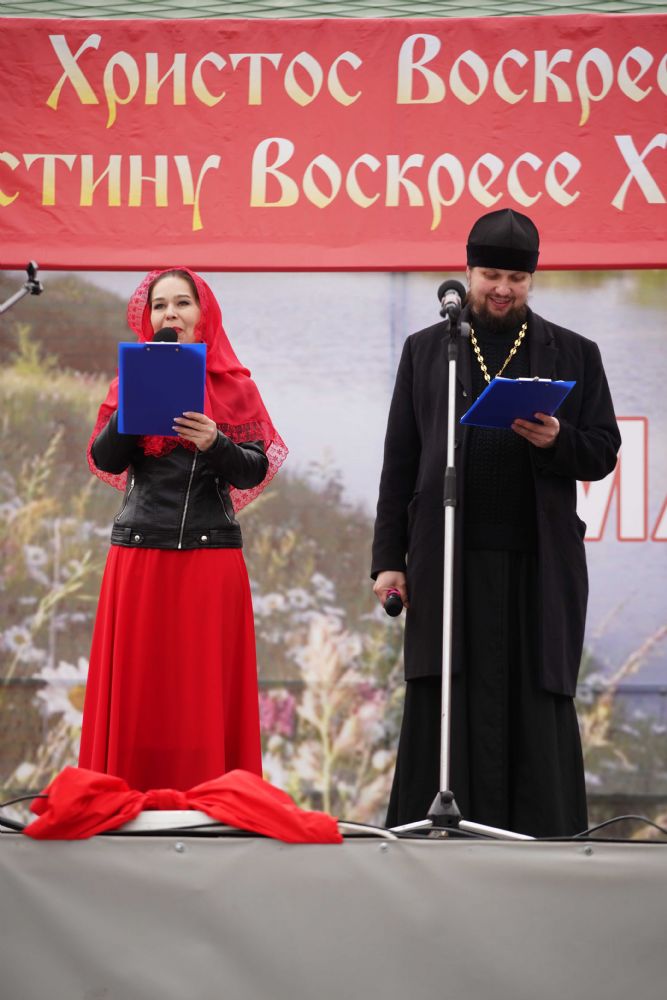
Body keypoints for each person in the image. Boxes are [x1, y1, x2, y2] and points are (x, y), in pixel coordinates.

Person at [371, 209, 621, 837]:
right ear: (468, 273)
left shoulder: (575, 352)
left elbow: (603, 451)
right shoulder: (428, 350)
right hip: (448, 559)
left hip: (537, 562)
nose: (502, 289)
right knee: (446, 694)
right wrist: (389, 560)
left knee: (535, 698)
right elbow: (399, 463)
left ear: (532, 280)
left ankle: (542, 839)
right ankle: (439, 834)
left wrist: (559, 439)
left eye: (516, 278)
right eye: (491, 276)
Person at [79, 267, 287, 791]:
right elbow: (104, 458)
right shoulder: (128, 381)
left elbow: (253, 470)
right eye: (159, 305)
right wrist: (135, 404)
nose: (170, 314)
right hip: (138, 557)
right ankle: (130, 799)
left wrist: (215, 442)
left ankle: (206, 800)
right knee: (139, 693)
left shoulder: (237, 388)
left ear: (203, 314)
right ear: (148, 319)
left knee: (202, 694)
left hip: (209, 559)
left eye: (182, 303)